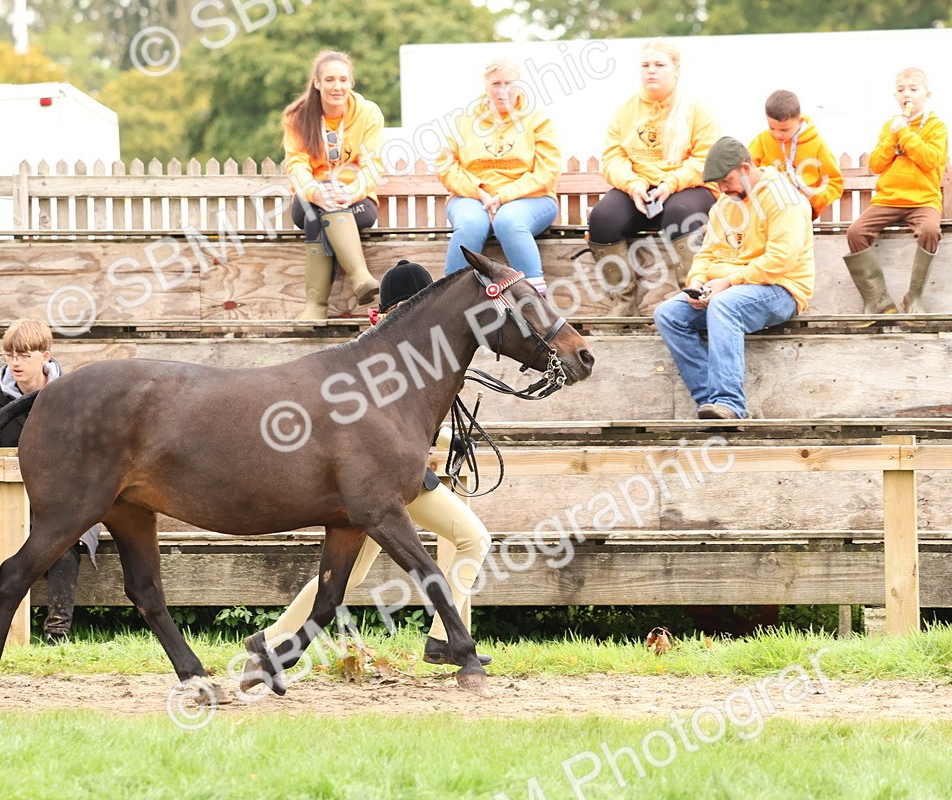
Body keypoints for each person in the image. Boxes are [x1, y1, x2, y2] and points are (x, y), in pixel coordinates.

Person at [246, 260, 494, 666]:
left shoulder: (387, 352)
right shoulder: (391, 357)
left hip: (384, 478)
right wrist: (446, 438)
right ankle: (445, 640)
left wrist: (448, 437)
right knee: (473, 538)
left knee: (353, 576)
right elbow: (389, 431)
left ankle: (270, 638)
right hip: (389, 481)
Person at [653, 137, 815, 421]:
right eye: (718, 184)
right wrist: (698, 281)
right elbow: (707, 252)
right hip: (730, 288)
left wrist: (728, 283)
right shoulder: (724, 205)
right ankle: (710, 402)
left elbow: (781, 259)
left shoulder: (784, 199)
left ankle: (729, 404)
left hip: (781, 289)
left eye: (727, 181)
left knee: (724, 305)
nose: (723, 189)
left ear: (745, 167)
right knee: (667, 314)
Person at [0, 318, 98, 643]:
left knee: (68, 536)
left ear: (45, 356)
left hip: (62, 499)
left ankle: (57, 633)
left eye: (24, 355)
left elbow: (89, 456)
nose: (16, 363)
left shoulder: (71, 396)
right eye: (10, 355)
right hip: (3, 501)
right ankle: (4, 631)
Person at [587, 38, 720, 316]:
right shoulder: (626, 109)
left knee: (680, 213)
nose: (651, 71)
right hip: (639, 189)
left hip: (686, 186)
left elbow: (704, 159)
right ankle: (623, 302)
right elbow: (612, 156)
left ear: (676, 70)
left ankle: (695, 299)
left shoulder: (697, 109)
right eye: (646, 65)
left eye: (660, 65)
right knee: (602, 218)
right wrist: (633, 184)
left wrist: (671, 184)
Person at [437, 58, 562, 297]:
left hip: (530, 198)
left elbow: (547, 171)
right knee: (471, 224)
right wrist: (479, 192)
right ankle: (450, 296)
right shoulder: (464, 121)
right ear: (485, 85)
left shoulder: (538, 120)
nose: (503, 90)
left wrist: (503, 196)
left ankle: (533, 296)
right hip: (473, 197)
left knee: (509, 221)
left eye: (509, 83)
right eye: (496, 83)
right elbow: (446, 165)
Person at [283, 50, 384, 320]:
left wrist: (350, 193)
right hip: (309, 199)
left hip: (356, 200)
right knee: (316, 211)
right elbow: (296, 164)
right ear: (317, 82)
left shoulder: (368, 113)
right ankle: (360, 276)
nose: (336, 86)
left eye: (342, 79)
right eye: (329, 80)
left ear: (351, 82)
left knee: (320, 217)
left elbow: (372, 164)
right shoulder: (297, 116)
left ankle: (315, 307)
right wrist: (315, 192)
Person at [844, 68, 948, 314]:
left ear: (927, 94)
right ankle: (879, 300)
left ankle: (914, 298)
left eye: (913, 89)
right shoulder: (889, 127)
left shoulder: (936, 126)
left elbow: (930, 160)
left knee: (930, 230)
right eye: (901, 90)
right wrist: (893, 136)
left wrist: (905, 133)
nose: (907, 94)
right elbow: (876, 164)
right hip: (889, 199)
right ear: (895, 96)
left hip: (923, 200)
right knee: (856, 232)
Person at [747, 90, 843, 221]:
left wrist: (814, 197)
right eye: (772, 128)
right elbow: (747, 172)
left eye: (784, 129)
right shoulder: (762, 140)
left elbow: (835, 183)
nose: (777, 135)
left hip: (801, 207)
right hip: (768, 205)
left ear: (800, 120)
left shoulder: (817, 144)